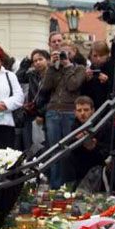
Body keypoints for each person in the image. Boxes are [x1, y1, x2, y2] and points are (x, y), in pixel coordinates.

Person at [42, 43, 86, 189]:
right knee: (54, 150)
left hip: (69, 111)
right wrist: (51, 66)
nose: (63, 55)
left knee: (68, 149)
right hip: (53, 111)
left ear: (73, 53)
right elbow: (45, 87)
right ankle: (55, 186)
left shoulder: (79, 69)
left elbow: (73, 85)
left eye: (67, 53)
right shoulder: (54, 69)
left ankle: (68, 185)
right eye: (61, 53)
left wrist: (67, 67)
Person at [67, 96, 113, 191]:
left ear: (93, 110)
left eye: (86, 110)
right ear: (75, 113)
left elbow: (109, 150)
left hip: (100, 166)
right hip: (80, 167)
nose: (82, 113)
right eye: (79, 110)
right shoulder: (75, 126)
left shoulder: (105, 125)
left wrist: (94, 147)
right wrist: (77, 141)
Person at [15, 49, 50, 151]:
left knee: (45, 146)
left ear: (47, 60)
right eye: (35, 61)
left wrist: (41, 113)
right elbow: (18, 77)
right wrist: (26, 63)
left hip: (45, 115)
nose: (38, 62)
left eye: (40, 59)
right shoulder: (32, 74)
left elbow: (51, 98)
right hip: (30, 114)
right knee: (30, 147)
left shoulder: (52, 74)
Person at [82, 41, 115, 110]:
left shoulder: (114, 68)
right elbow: (85, 92)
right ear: (91, 56)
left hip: (109, 108)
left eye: (101, 55)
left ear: (107, 55)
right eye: (95, 56)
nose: (98, 59)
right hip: (93, 108)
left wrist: (107, 82)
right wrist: (87, 80)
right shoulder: (91, 68)